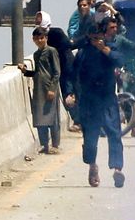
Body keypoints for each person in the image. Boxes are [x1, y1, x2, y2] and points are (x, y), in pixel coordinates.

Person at [64, 18, 125, 188]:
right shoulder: (83, 53)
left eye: (98, 36)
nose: (95, 40)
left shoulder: (109, 48)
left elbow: (119, 60)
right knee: (90, 138)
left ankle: (117, 169)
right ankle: (92, 165)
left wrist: (104, 50)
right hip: (89, 101)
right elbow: (72, 74)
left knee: (114, 133)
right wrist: (71, 93)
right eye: (93, 37)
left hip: (107, 99)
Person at [21, 26, 61, 154]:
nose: (39, 40)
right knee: (40, 118)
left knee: (52, 117)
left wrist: (52, 88)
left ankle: (55, 144)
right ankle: (44, 144)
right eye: (36, 38)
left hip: (49, 89)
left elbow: (56, 72)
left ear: (46, 38)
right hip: (39, 90)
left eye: (41, 38)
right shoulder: (36, 54)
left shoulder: (51, 51)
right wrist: (25, 71)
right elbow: (37, 72)